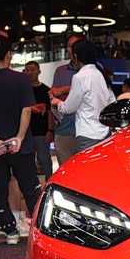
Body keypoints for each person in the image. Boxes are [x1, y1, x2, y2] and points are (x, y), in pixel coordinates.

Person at [0, 35, 41, 245]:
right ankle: (39, 231)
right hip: (22, 145)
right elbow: (26, 110)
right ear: (8, 55)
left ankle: (10, 231)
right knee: (30, 188)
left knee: (0, 188)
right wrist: (19, 137)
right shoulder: (21, 80)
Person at [50, 39, 116, 153]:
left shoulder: (79, 77)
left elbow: (68, 108)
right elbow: (112, 102)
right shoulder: (102, 74)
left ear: (75, 57)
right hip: (105, 134)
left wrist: (57, 102)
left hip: (87, 135)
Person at [49, 33, 84, 166]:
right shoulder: (60, 71)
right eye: (69, 46)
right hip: (64, 130)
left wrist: (63, 90)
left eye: (75, 45)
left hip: (88, 133)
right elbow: (54, 97)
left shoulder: (95, 69)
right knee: (65, 173)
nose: (72, 49)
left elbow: (90, 93)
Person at [23, 60, 54, 182]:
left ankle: (49, 182)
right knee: (28, 161)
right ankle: (31, 185)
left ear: (39, 71)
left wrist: (50, 130)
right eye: (27, 70)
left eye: (32, 70)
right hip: (25, 131)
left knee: (44, 159)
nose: (30, 73)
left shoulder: (46, 90)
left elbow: (50, 112)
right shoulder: (23, 90)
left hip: (41, 131)